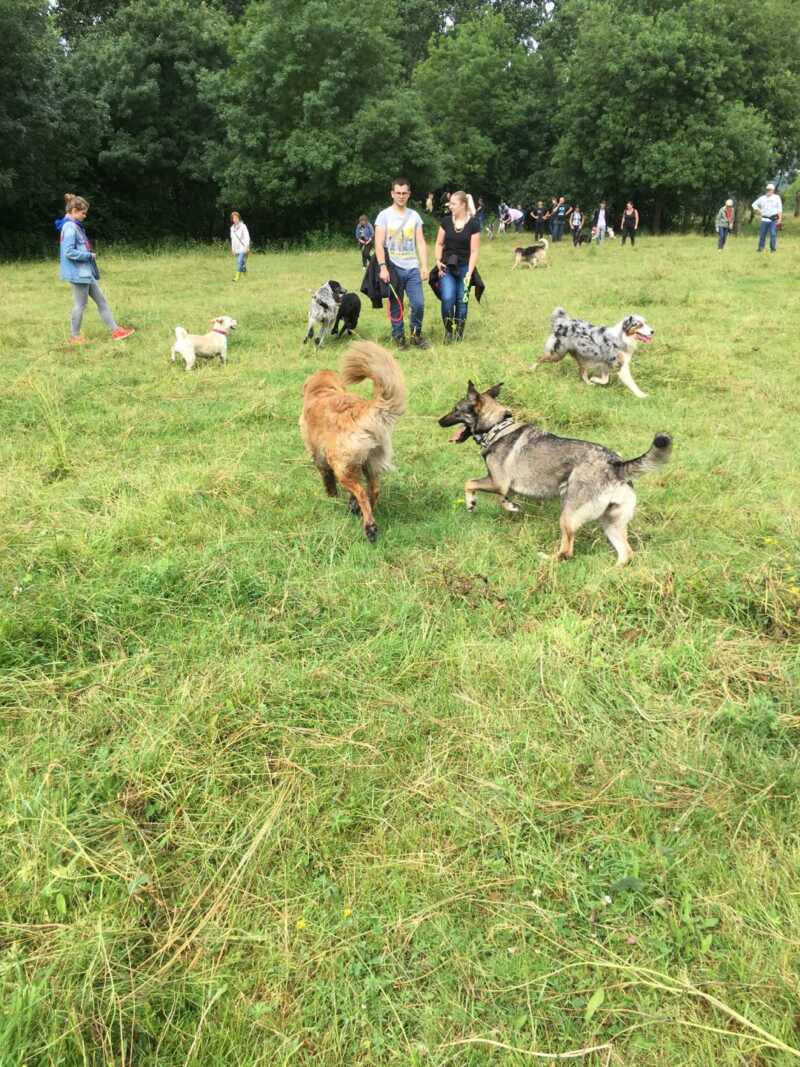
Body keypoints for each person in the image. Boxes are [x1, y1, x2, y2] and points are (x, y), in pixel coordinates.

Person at [56, 192, 134, 345]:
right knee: (80, 305)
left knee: (102, 301)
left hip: (85, 272)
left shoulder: (74, 226)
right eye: (83, 213)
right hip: (78, 273)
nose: (85, 216)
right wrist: (89, 256)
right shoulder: (70, 228)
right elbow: (68, 252)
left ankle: (116, 331)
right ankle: (74, 337)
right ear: (74, 211)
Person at [374, 177, 430, 349]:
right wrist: (383, 267)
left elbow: (420, 242)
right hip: (394, 267)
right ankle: (398, 336)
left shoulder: (414, 216)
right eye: (398, 193)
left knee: (418, 303)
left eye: (404, 193)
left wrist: (424, 266)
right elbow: (378, 243)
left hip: (412, 267)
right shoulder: (384, 216)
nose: (401, 196)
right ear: (392, 194)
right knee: (396, 304)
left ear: (409, 194)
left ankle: (415, 334)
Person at [434, 190, 481, 343]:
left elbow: (474, 251)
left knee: (462, 301)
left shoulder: (473, 224)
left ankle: (459, 334)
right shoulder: (446, 221)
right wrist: (437, 260)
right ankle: (448, 332)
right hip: (447, 267)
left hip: (464, 268)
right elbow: (439, 243)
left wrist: (470, 272)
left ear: (462, 205)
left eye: (453, 203)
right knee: (447, 298)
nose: (450, 206)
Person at [752, 182, 782, 253]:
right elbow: (754, 204)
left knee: (773, 234)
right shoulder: (762, 198)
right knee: (762, 234)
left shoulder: (777, 197)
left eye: (770, 190)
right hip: (764, 219)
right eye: (768, 189)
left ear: (773, 190)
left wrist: (780, 219)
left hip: (774, 219)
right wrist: (759, 210)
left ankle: (773, 249)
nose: (769, 191)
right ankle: (760, 248)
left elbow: (779, 209)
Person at [230, 211, 250, 281]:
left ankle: (237, 277)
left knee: (239, 261)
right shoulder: (232, 228)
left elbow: (247, 236)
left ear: (239, 218)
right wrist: (233, 249)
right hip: (236, 248)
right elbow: (232, 239)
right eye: (233, 218)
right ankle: (244, 268)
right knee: (242, 262)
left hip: (243, 247)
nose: (235, 219)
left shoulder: (243, 226)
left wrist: (247, 246)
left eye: (236, 218)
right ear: (232, 219)